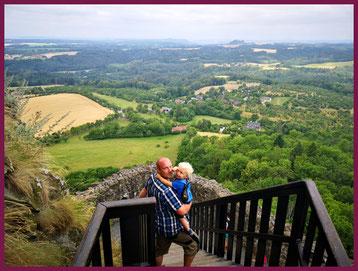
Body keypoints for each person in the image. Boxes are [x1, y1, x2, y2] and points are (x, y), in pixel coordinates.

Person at [139, 157, 198, 266]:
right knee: (193, 244)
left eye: (171, 166)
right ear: (159, 169)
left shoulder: (152, 177)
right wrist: (190, 201)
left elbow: (142, 194)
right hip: (172, 228)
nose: (170, 170)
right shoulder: (166, 191)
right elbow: (182, 211)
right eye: (166, 168)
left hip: (160, 225)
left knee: (159, 250)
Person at [156, 162, 194, 233]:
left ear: (186, 176)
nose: (178, 173)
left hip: (183, 202)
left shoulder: (179, 183)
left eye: (181, 172)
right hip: (187, 198)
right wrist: (176, 169)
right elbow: (179, 171)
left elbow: (167, 183)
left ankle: (188, 229)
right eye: (178, 171)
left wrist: (159, 177)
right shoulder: (184, 179)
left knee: (180, 215)